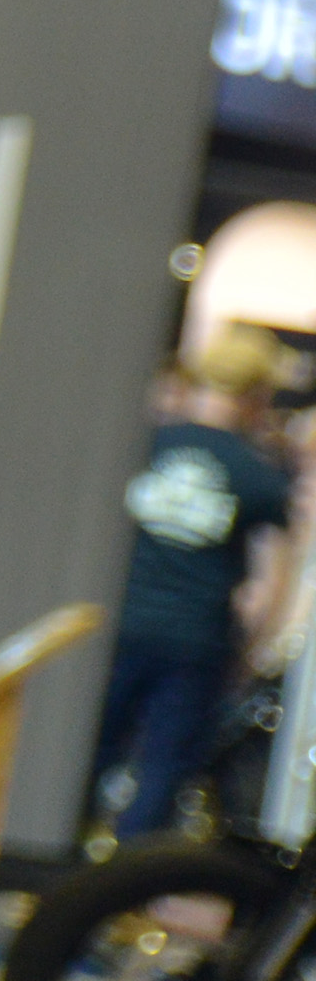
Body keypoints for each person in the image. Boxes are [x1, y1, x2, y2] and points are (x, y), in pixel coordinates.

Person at [89, 330, 298, 852]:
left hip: (121, 624)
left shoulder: (147, 445)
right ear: (256, 394)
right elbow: (270, 582)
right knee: (165, 766)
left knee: (90, 749)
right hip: (195, 640)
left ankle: (56, 868)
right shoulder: (258, 474)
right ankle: (126, 881)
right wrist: (250, 651)